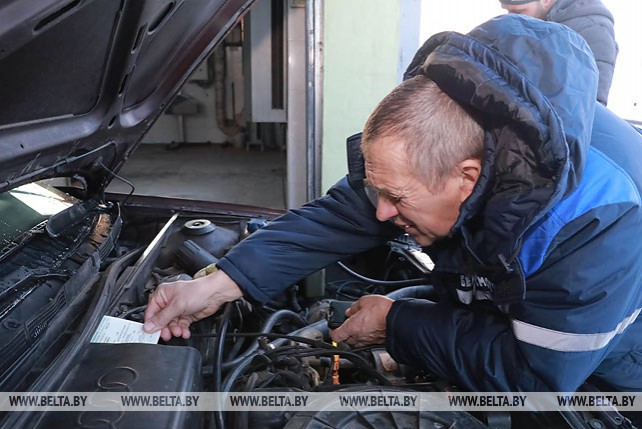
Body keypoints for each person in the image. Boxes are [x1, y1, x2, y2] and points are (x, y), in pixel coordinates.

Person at [144, 14, 642, 393]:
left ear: (468, 179)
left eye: (397, 199)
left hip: (609, 354)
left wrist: (395, 324)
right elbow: (342, 213)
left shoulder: (597, 220)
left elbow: (534, 377)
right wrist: (220, 283)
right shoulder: (447, 142)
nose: (383, 213)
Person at [499, 0, 618, 106]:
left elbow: (593, 104)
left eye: (519, 12)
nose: (512, 17)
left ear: (546, 1)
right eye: (508, 11)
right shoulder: (531, 25)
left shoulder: (593, 30)